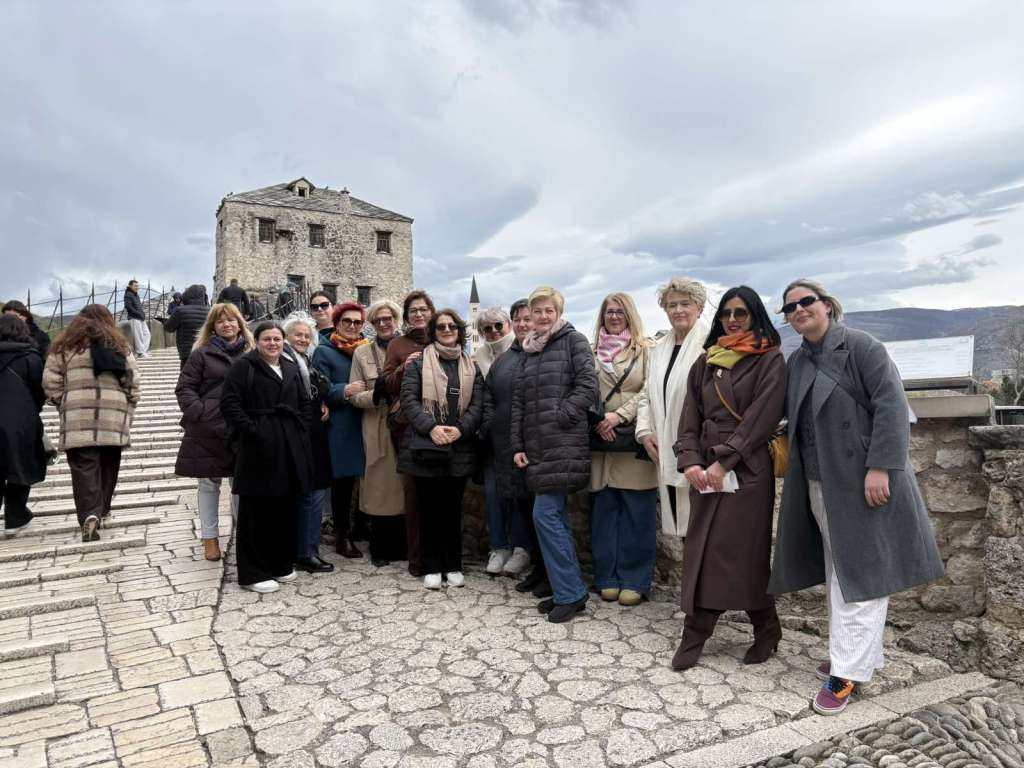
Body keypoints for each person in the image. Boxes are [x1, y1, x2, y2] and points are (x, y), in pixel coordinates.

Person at [769, 278, 943, 715]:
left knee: (862, 574)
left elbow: (892, 406)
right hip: (818, 483)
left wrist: (881, 467)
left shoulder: (863, 347)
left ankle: (846, 672)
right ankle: (857, 656)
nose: (798, 310)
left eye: (806, 302)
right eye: (789, 308)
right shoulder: (798, 361)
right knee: (840, 571)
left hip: (863, 480)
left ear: (827, 305)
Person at [671, 286, 786, 671]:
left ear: (755, 316)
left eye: (741, 313)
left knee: (742, 552)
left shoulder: (770, 359)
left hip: (748, 470)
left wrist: (726, 461)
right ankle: (701, 630)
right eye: (726, 313)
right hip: (706, 468)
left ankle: (760, 627)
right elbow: (689, 417)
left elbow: (762, 418)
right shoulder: (706, 361)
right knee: (701, 548)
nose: (732, 319)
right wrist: (690, 461)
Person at [511, 287, 598, 623]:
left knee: (545, 515)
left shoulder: (574, 341)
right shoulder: (529, 349)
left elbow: (588, 386)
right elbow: (519, 402)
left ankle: (570, 593)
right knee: (554, 517)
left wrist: (561, 416)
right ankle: (569, 590)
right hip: (536, 447)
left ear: (559, 312)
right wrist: (517, 445)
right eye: (538, 311)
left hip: (563, 442)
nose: (543, 316)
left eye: (549, 310)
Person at [220, 322, 312, 593]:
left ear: (283, 341)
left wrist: (302, 428)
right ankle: (253, 572)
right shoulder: (243, 367)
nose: (273, 343)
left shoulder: (290, 367)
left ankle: (279, 563)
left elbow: (304, 401)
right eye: (267, 339)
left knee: (284, 506)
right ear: (257, 341)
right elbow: (229, 404)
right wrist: (253, 430)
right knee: (256, 509)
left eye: (277, 339)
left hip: (288, 443)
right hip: (257, 446)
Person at [398, 309, 483, 589]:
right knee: (428, 509)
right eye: (441, 327)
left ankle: (453, 564)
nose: (447, 330)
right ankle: (432, 566)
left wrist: (461, 429)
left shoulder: (471, 366)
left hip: (459, 447)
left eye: (452, 326)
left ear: (460, 331)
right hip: (426, 445)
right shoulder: (418, 363)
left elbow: (478, 405)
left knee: (452, 509)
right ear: (433, 332)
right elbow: (409, 399)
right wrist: (431, 427)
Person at [43, 304, 140, 542]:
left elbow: (50, 380)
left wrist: (64, 401)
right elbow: (132, 379)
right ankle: (103, 510)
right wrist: (129, 403)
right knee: (109, 464)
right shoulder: (119, 345)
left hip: (78, 417)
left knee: (84, 467)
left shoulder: (64, 347)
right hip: (113, 416)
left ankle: (90, 514)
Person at [589, 292, 659, 607]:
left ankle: (634, 580)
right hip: (601, 443)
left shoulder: (646, 351)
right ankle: (606, 577)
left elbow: (649, 389)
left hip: (633, 440)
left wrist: (619, 415)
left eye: (620, 312)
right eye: (609, 312)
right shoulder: (591, 353)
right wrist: (599, 419)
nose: (614, 317)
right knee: (604, 515)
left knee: (637, 515)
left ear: (630, 315)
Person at [175, 302, 253, 561]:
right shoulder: (201, 354)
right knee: (208, 484)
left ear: (239, 324)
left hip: (240, 427)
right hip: (207, 428)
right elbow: (185, 388)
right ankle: (210, 539)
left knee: (242, 484)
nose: (226, 324)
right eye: (220, 321)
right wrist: (200, 412)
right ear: (213, 327)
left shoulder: (252, 353)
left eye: (231, 320)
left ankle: (244, 537)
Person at [636, 279, 712, 539]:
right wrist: (645, 431)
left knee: (702, 524)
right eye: (672, 305)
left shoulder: (710, 346)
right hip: (664, 447)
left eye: (685, 304)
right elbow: (646, 394)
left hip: (700, 449)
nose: (678, 310)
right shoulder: (659, 349)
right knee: (680, 526)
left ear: (699, 307)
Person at [482, 298, 547, 592]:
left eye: (526, 318)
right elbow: (488, 398)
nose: (522, 324)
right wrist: (489, 426)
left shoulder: (547, 352)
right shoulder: (504, 360)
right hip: (504, 443)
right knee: (515, 500)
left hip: (538, 444)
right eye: (518, 319)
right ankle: (531, 565)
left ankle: (538, 564)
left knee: (538, 508)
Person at [346, 299, 406, 566]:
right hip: (377, 425)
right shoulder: (362, 354)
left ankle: (403, 545)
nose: (383, 324)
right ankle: (379, 547)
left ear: (396, 320)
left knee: (406, 485)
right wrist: (376, 394)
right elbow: (354, 396)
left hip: (407, 425)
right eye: (377, 320)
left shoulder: (408, 348)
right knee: (380, 488)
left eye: (387, 319)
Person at [383, 289, 436, 576]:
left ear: (431, 312)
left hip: (441, 425)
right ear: (406, 316)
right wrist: (405, 366)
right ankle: (417, 560)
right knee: (413, 494)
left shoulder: (443, 337)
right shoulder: (397, 344)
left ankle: (441, 556)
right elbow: (387, 384)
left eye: (423, 309)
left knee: (440, 493)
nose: (418, 314)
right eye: (413, 310)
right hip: (407, 428)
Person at [475, 307, 530, 576]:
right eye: (487, 328)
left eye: (498, 325)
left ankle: (521, 548)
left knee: (518, 492)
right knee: (493, 492)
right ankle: (499, 546)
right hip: (491, 436)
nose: (494, 331)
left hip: (519, 435)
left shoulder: (523, 350)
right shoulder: (478, 356)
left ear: (508, 324)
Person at [312, 302, 369, 559]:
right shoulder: (324, 351)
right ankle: (342, 536)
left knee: (367, 480)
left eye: (357, 322)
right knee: (343, 483)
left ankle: (362, 528)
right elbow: (318, 386)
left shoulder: (366, 348)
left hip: (367, 420)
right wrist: (343, 390)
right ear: (337, 323)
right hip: (342, 425)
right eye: (347, 321)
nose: (352, 326)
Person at [282, 315, 335, 574]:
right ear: (287, 336)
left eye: (306, 336)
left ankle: (304, 551)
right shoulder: (287, 362)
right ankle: (306, 553)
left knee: (312, 495)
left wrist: (322, 402)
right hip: (299, 436)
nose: (303, 339)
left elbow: (316, 390)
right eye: (298, 335)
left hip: (312, 434)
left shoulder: (304, 362)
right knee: (310, 496)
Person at [0, 314, 47, 536]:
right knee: (20, 467)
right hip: (20, 421)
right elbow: (40, 391)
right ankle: (15, 517)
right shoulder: (31, 357)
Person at [162, 284, 210, 367]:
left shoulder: (180, 311)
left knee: (187, 373)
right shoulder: (210, 311)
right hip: (206, 350)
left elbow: (168, 328)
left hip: (186, 352)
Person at [123, 279, 150, 358]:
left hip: (140, 317)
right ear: (130, 286)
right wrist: (138, 314)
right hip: (134, 318)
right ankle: (141, 352)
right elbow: (128, 306)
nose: (137, 287)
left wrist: (142, 314)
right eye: (135, 286)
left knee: (147, 334)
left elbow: (139, 306)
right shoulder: (128, 294)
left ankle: (142, 351)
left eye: (137, 286)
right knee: (139, 336)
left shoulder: (136, 295)